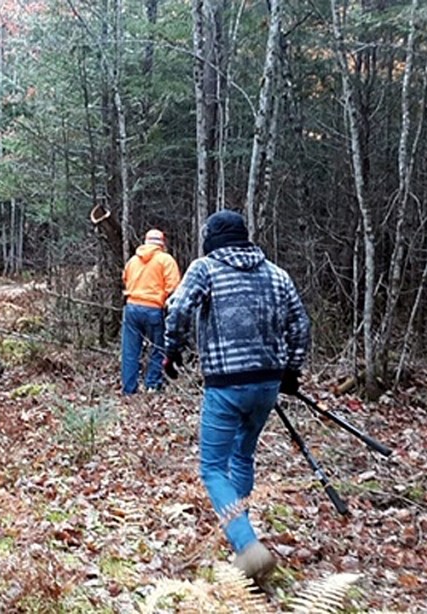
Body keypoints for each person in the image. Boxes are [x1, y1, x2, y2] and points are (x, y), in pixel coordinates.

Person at [163, 210, 310, 582]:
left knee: (212, 468)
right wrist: (291, 371)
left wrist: (172, 349)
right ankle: (241, 537)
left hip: (226, 385)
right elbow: (300, 324)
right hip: (267, 385)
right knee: (242, 456)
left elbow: (178, 307)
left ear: (211, 239)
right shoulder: (277, 274)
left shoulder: (206, 268)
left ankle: (247, 546)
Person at [121, 228, 181, 394]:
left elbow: (125, 279)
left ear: (146, 242)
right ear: (162, 243)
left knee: (130, 351)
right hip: (154, 309)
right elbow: (174, 288)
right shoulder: (166, 260)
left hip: (132, 308)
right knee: (158, 348)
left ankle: (129, 389)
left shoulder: (133, 261)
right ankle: (152, 385)